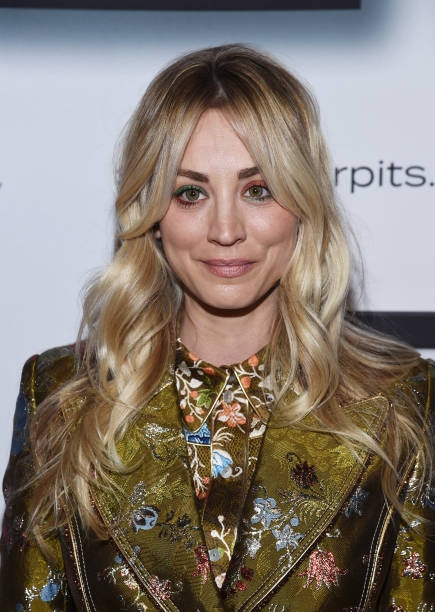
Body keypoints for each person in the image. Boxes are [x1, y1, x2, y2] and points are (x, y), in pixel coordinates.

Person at [1, 44, 434, 611]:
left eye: (258, 190)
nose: (225, 230)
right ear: (153, 214)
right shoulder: (61, 394)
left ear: (303, 204)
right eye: (191, 193)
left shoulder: (402, 400)